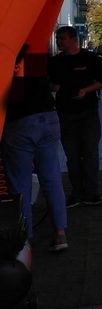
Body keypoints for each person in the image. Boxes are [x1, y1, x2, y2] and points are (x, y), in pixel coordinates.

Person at [1, 45, 69, 252]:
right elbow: (54, 85)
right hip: (48, 117)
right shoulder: (36, 56)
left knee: (20, 184)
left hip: (20, 123)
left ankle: (26, 240)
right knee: (51, 179)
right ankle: (60, 234)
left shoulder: (7, 58)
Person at [49, 25, 102, 207]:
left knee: (90, 152)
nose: (59, 42)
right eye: (57, 39)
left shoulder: (90, 59)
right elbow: (51, 84)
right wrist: (58, 88)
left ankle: (91, 192)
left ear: (73, 39)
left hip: (88, 112)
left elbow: (101, 81)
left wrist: (85, 91)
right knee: (72, 155)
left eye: (62, 39)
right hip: (65, 113)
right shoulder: (55, 62)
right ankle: (76, 192)